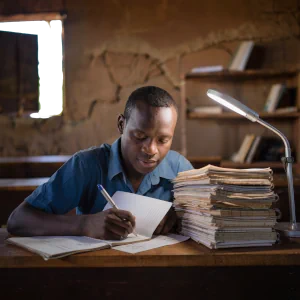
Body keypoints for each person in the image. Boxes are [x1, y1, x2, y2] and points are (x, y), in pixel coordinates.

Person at [7, 86, 194, 240]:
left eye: (163, 140)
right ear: (121, 124)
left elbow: (211, 221)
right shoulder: (86, 166)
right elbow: (18, 220)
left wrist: (180, 217)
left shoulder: (179, 168)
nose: (151, 150)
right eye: (140, 136)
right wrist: (85, 224)